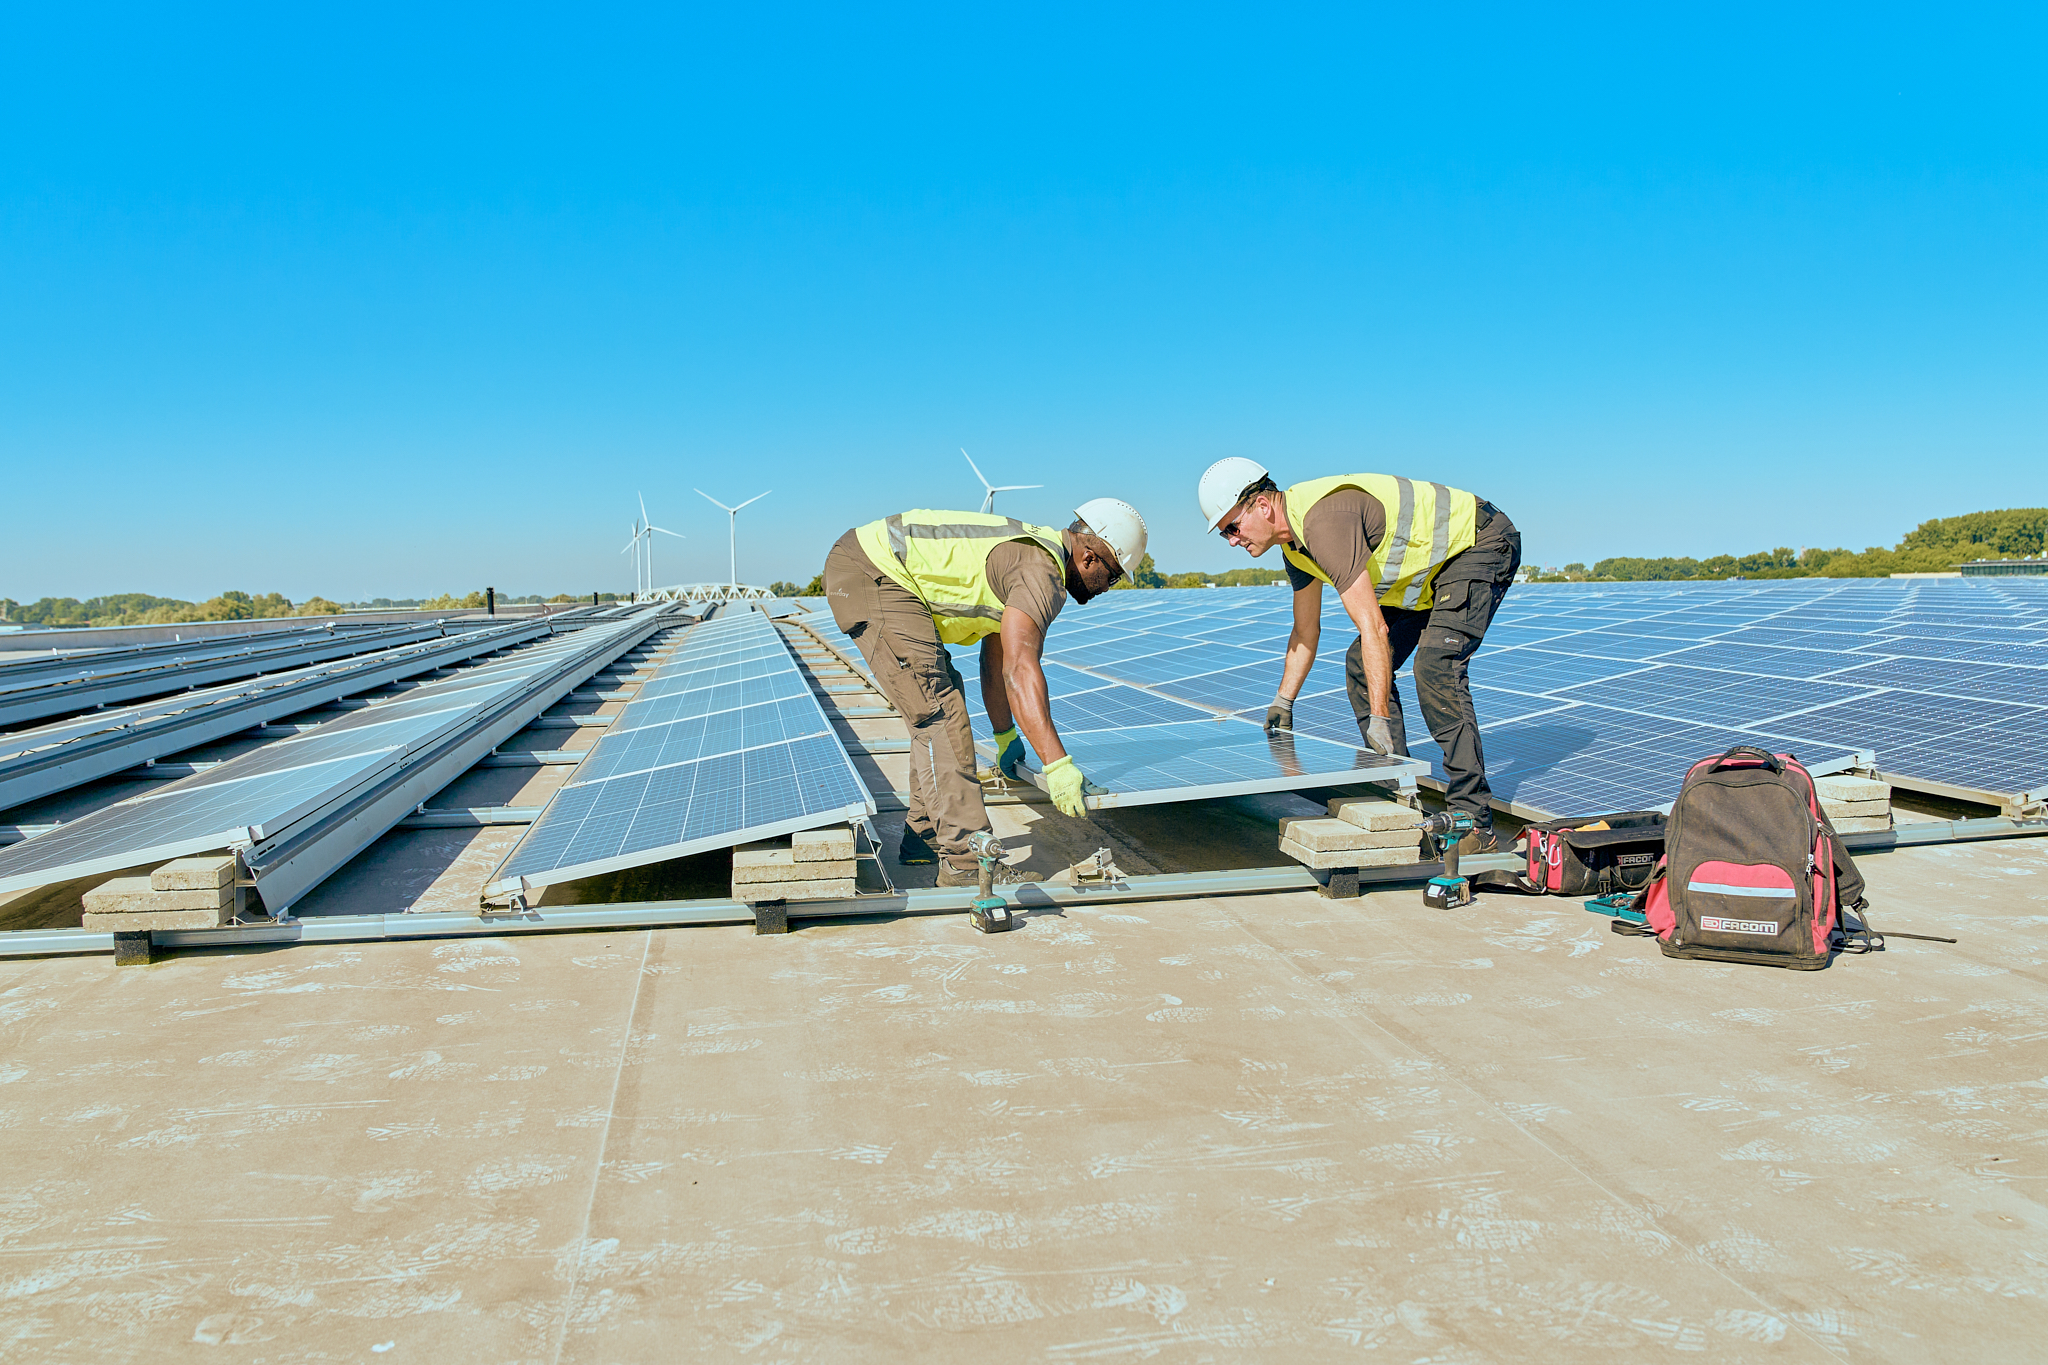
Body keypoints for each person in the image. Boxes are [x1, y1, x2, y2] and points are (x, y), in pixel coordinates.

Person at [1196, 459, 1522, 853]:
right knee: (1360, 666)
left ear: (1262, 507)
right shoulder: (1295, 549)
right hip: (1430, 577)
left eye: (1233, 527)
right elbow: (1305, 630)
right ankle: (1402, 798)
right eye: (1224, 535)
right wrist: (1284, 700)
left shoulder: (1324, 524)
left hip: (1479, 544)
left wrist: (1379, 717)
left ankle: (1473, 822)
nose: (1232, 540)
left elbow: (1374, 628)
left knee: (1436, 665)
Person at [822, 499, 1149, 886]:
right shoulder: (1041, 574)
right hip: (874, 571)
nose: (1107, 589)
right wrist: (1057, 764)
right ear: (1091, 558)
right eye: (1112, 577)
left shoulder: (1033, 555)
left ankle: (926, 836)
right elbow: (1020, 668)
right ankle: (965, 861)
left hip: (872, 566)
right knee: (939, 712)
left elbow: (998, 661)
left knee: (939, 702)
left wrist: (1005, 735)